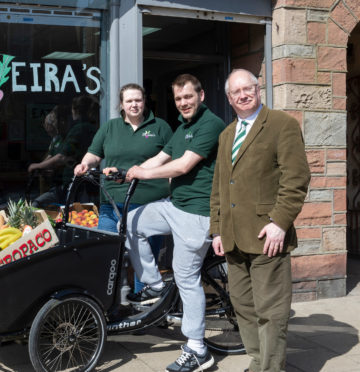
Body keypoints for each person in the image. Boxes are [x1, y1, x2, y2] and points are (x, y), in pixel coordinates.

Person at [210, 69, 310, 372]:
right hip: (233, 238)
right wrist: (216, 230)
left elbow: (296, 179)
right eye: (236, 92)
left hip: (268, 235)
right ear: (229, 98)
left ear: (257, 89)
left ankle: (270, 368)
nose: (243, 95)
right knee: (244, 307)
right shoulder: (227, 134)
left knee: (271, 311)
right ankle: (258, 361)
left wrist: (280, 222)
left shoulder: (282, 125)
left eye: (248, 89)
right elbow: (219, 187)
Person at [124, 74, 225, 372]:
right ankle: (154, 285)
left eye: (188, 97)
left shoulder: (211, 124)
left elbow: (182, 165)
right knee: (131, 221)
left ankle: (197, 348)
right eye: (179, 98)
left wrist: (143, 175)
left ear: (201, 95)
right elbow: (163, 156)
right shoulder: (182, 127)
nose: (183, 103)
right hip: (175, 205)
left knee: (186, 277)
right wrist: (130, 170)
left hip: (197, 213)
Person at [74, 83, 172, 292]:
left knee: (145, 262)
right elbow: (94, 153)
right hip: (113, 204)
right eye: (129, 101)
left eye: (138, 100)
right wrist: (85, 163)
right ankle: (109, 304)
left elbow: (172, 162)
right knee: (107, 255)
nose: (134, 105)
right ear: (121, 104)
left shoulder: (161, 127)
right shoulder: (110, 127)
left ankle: (145, 304)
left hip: (149, 205)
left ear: (144, 102)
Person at [28, 105, 70, 208]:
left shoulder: (69, 137)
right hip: (56, 184)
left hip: (66, 183)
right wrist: (42, 166)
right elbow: (51, 156)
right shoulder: (56, 139)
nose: (50, 130)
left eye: (53, 124)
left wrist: (39, 166)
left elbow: (61, 158)